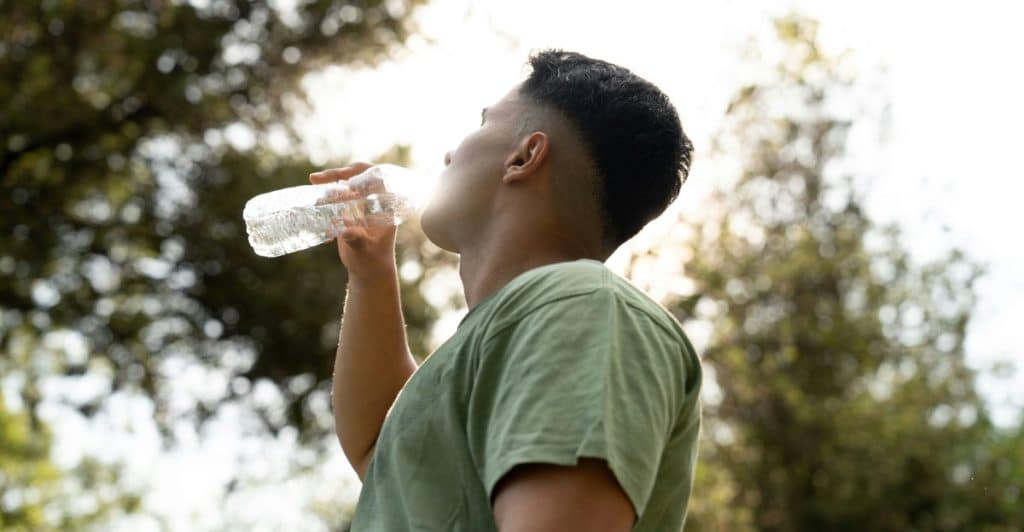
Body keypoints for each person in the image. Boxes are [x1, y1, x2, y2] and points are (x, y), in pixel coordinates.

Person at [310, 49, 701, 531]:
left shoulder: (583, 308)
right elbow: (382, 445)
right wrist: (371, 275)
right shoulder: (521, 328)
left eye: (482, 122)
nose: (449, 153)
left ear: (524, 156)